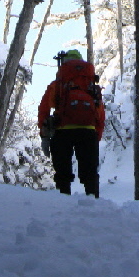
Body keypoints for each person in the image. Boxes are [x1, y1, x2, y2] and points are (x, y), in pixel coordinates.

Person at [38, 49, 104, 197]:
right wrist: (97, 135)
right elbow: (100, 112)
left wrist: (44, 135)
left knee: (62, 172)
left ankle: (64, 200)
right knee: (90, 172)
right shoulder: (90, 84)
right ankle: (93, 201)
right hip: (88, 130)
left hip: (62, 130)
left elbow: (44, 109)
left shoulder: (59, 83)